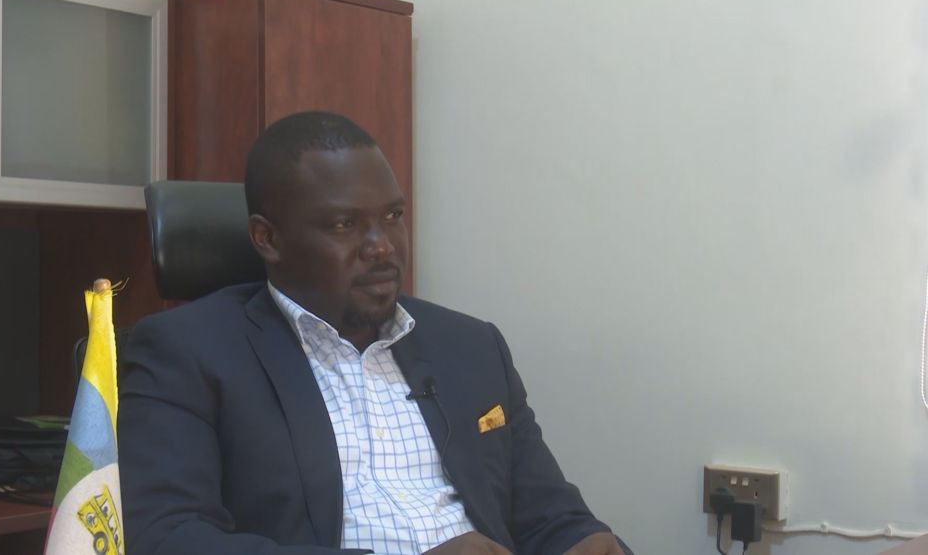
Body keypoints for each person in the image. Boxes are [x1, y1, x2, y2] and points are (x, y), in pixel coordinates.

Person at [118, 111, 633, 555]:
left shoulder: (472, 346)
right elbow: (169, 538)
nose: (382, 246)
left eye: (392, 216)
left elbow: (549, 514)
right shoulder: (186, 351)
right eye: (345, 225)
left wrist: (583, 540)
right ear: (267, 238)